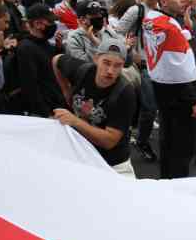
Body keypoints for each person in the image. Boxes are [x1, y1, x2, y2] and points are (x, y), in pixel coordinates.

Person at [143, 0, 196, 179]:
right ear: (163, 1)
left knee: (167, 141)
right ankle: (179, 187)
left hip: (160, 86)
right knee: (181, 148)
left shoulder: (151, 19)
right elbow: (182, 69)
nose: (183, 0)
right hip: (179, 95)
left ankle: (167, 181)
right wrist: (194, 100)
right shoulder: (170, 27)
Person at [51, 41, 137, 177]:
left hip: (112, 162)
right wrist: (65, 90)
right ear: (96, 59)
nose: (110, 71)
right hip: (80, 151)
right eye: (106, 63)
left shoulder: (125, 93)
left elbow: (109, 141)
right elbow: (56, 60)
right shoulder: (83, 71)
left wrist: (75, 121)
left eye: (117, 66)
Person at [14, 4, 65, 117]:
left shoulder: (44, 42)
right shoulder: (26, 48)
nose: (53, 25)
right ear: (37, 24)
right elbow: (30, 86)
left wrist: (59, 48)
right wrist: (46, 113)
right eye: (50, 22)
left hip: (56, 105)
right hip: (45, 113)